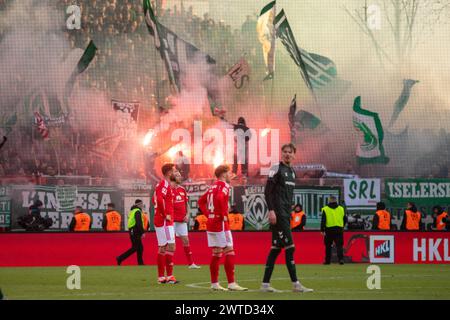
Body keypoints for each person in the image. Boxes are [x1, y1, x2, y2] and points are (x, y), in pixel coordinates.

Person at [261, 143, 313, 293]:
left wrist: (289, 210)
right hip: (278, 214)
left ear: (294, 155)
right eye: (284, 151)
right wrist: (271, 211)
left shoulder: (292, 172)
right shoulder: (275, 168)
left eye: (290, 152)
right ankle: (296, 284)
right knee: (291, 247)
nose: (287, 154)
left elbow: (287, 195)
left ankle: (265, 285)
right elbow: (267, 192)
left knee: (276, 248)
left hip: (285, 214)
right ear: (281, 153)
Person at [198, 164, 248, 291]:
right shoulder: (224, 185)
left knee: (216, 253)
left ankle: (214, 284)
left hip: (211, 222)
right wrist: (223, 214)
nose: (230, 174)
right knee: (229, 251)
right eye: (229, 172)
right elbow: (220, 198)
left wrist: (209, 214)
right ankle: (231, 283)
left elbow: (201, 202)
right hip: (220, 223)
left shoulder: (211, 187)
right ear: (223, 174)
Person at [153, 163, 179, 284]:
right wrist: (165, 214)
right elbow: (159, 199)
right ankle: (169, 276)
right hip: (164, 220)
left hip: (162, 219)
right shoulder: (164, 184)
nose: (176, 172)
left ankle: (163, 277)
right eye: (174, 170)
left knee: (163, 247)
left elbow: (156, 200)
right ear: (169, 173)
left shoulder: (164, 184)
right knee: (170, 246)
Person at [172, 170, 200, 268]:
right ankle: (169, 264)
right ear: (172, 177)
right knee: (170, 244)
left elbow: (186, 204)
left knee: (186, 240)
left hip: (181, 221)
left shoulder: (182, 190)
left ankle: (191, 263)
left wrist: (187, 214)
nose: (180, 177)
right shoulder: (168, 190)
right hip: (171, 221)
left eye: (180, 175)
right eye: (177, 176)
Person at [116, 199, 146, 265]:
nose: (142, 206)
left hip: (133, 230)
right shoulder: (137, 211)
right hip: (135, 230)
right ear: (139, 204)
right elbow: (139, 223)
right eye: (141, 204)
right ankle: (120, 258)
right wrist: (142, 232)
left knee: (140, 247)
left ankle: (140, 263)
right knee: (135, 247)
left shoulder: (132, 211)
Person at [321, 196, 347, 265]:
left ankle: (327, 261)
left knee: (328, 246)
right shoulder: (341, 209)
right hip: (339, 229)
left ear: (329, 201)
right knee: (339, 246)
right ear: (336, 201)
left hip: (329, 229)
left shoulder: (325, 209)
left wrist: (322, 230)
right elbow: (345, 219)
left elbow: (323, 220)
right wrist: (342, 226)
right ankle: (341, 259)